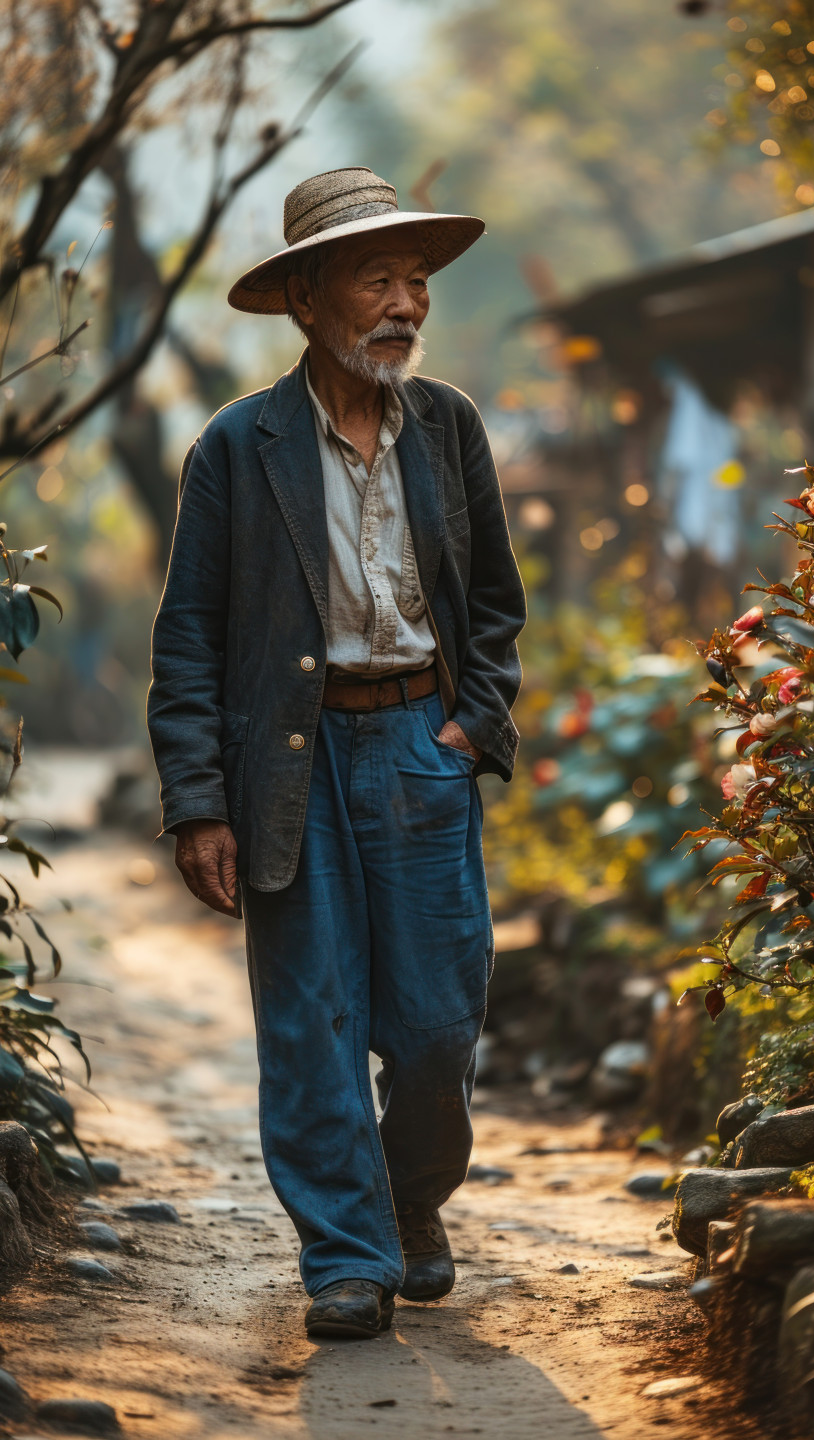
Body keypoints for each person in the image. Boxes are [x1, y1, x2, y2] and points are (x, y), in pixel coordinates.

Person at [146, 167, 525, 1339]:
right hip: (287, 761)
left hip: (421, 742)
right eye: (377, 279)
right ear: (307, 299)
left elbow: (496, 606)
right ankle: (347, 1258)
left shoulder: (449, 426)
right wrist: (198, 802)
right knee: (310, 1019)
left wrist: (470, 726)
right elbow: (190, 636)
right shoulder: (236, 446)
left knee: (436, 1024)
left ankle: (412, 1200)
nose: (406, 302)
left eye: (416, 280)